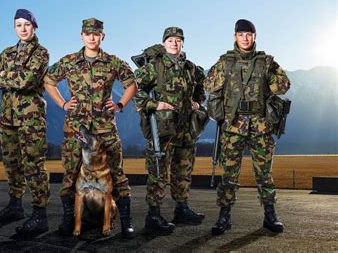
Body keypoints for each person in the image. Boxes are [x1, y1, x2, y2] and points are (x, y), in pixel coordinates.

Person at [44, 18, 137, 239]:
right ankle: (69, 220)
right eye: (88, 34)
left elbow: (131, 84)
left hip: (105, 127)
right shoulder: (69, 61)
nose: (92, 37)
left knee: (117, 172)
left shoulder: (113, 62)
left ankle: (126, 221)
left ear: (102, 36)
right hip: (75, 127)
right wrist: (63, 104)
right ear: (82, 36)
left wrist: (120, 104)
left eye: (96, 34)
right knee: (70, 173)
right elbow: (48, 81)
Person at [205, 19, 291, 235]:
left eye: (249, 34)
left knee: (264, 174)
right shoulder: (225, 61)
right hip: (233, 125)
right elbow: (209, 85)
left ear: (255, 36)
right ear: (235, 36)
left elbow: (283, 85)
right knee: (229, 175)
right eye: (241, 34)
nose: (245, 38)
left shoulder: (266, 61)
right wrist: (223, 77)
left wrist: (270, 77)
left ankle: (270, 216)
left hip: (261, 124)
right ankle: (224, 216)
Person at [133, 27, 206, 235]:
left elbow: (200, 90)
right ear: (164, 43)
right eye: (170, 40)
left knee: (183, 171)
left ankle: (181, 209)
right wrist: (154, 105)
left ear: (183, 43)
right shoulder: (154, 66)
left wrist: (197, 103)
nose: (175, 43)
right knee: (158, 172)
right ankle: (153, 216)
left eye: (178, 40)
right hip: (162, 129)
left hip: (186, 129)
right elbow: (133, 89)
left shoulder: (191, 68)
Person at [0, 9, 50, 236]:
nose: (22, 29)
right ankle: (15, 205)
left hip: (31, 118)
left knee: (33, 164)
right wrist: (9, 77)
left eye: (26, 24)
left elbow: (27, 81)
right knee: (11, 163)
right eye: (18, 25)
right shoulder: (7, 53)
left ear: (34, 26)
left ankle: (40, 214)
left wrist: (6, 78)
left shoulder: (41, 53)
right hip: (8, 117)